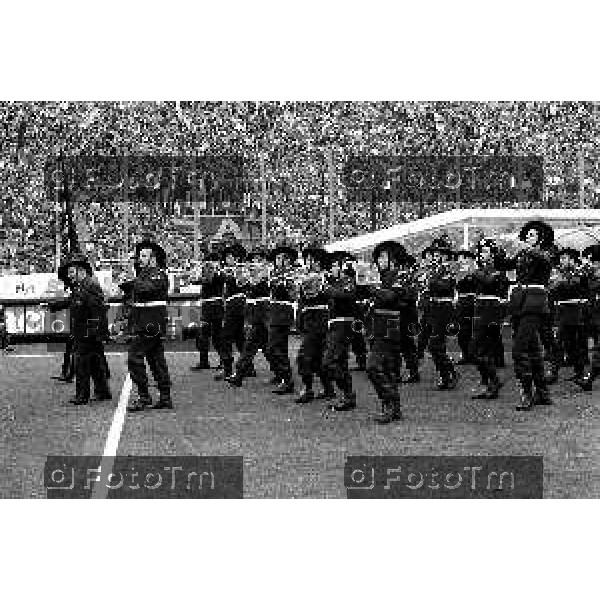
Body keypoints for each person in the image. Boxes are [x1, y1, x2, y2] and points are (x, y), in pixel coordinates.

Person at [504, 220, 555, 410]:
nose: (528, 237)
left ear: (541, 238)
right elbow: (505, 265)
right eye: (527, 234)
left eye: (532, 235)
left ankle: (527, 393)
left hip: (535, 301)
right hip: (520, 302)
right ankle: (542, 392)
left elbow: (545, 260)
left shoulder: (548, 251)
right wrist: (495, 252)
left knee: (519, 350)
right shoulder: (522, 253)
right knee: (532, 349)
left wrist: (526, 248)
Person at [121, 240, 172, 411]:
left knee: (134, 357)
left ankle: (144, 397)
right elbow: (135, 290)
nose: (139, 259)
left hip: (151, 324)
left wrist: (130, 281)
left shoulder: (158, 274)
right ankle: (164, 397)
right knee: (156, 360)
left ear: (153, 259)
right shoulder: (143, 274)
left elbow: (145, 289)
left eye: (143, 256)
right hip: (145, 323)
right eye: (140, 255)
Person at [366, 240, 413, 423]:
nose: (379, 260)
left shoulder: (400, 276)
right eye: (379, 256)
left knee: (374, 366)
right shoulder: (382, 277)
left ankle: (389, 404)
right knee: (388, 369)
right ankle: (393, 408)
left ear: (393, 259)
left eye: (383, 256)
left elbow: (392, 296)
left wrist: (373, 288)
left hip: (391, 326)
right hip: (379, 325)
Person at [59, 253, 111, 406]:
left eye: (71, 272)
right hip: (86, 331)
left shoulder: (90, 285)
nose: (69, 276)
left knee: (81, 362)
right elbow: (71, 301)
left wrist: (96, 333)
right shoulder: (81, 286)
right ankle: (102, 392)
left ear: (81, 271)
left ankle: (82, 395)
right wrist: (52, 305)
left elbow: (98, 310)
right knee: (95, 363)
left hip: (88, 332)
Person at [469, 239, 510, 400]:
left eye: (485, 251)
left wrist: (474, 272)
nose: (481, 254)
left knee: (479, 349)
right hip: (480, 309)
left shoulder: (497, 270)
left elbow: (488, 281)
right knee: (479, 350)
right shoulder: (483, 269)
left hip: (490, 311)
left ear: (493, 255)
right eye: (481, 251)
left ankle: (493, 382)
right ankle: (489, 382)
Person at [294, 247, 335, 403]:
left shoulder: (327, 277)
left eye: (312, 260)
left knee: (305, 357)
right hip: (309, 320)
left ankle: (309, 389)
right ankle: (327, 389)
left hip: (323, 320)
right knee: (316, 359)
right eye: (308, 260)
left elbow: (327, 296)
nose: (309, 263)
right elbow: (299, 299)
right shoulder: (304, 277)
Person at [228, 247, 271, 387]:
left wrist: (250, 275)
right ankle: (283, 374)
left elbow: (257, 284)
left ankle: (239, 374)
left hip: (263, 315)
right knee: (262, 348)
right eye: (253, 259)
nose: (254, 262)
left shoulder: (266, 273)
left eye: (258, 258)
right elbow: (241, 283)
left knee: (253, 347)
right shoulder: (252, 274)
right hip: (254, 315)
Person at [421, 239, 459, 390]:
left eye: (439, 253)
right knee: (434, 346)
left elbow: (446, 286)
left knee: (435, 344)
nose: (435, 256)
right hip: (433, 308)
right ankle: (447, 374)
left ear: (445, 255)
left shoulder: (450, 269)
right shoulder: (433, 270)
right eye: (434, 253)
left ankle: (448, 373)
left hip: (444, 308)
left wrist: (429, 282)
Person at [322, 251, 357, 411]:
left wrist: (325, 287)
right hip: (335, 324)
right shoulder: (335, 281)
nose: (332, 268)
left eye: (335, 265)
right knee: (340, 362)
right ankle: (348, 397)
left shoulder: (349, 280)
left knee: (331, 362)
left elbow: (343, 295)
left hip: (343, 324)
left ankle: (348, 394)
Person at [549, 248, 588, 384]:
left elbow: (573, 286)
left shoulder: (580, 272)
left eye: (565, 258)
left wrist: (561, 281)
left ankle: (579, 372)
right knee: (559, 342)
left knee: (573, 344)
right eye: (561, 258)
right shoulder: (559, 273)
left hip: (576, 311)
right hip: (562, 311)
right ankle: (554, 372)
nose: (562, 261)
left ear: (572, 260)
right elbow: (553, 289)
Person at [266, 244, 298, 395]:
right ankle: (282, 376)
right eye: (278, 258)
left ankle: (287, 379)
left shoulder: (291, 275)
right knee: (281, 348)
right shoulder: (273, 273)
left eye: (282, 258)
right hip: (274, 311)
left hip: (283, 312)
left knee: (272, 348)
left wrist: (287, 283)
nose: (279, 260)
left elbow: (293, 295)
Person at [214, 243, 247, 381]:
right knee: (239, 338)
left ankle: (227, 369)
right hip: (235, 305)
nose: (227, 259)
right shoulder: (231, 270)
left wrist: (224, 274)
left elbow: (239, 282)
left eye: (229, 257)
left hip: (236, 305)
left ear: (237, 258)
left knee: (226, 336)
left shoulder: (239, 270)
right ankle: (247, 367)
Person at [190, 248, 224, 372]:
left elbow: (208, 279)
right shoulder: (213, 270)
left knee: (214, 336)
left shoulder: (217, 271)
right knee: (204, 335)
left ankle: (222, 361)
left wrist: (195, 279)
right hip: (209, 307)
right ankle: (206, 361)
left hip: (213, 307)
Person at [574, 244, 600, 391]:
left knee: (598, 350)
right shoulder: (590, 275)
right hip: (594, 316)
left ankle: (588, 379)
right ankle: (589, 378)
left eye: (592, 260)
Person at [454, 249, 478, 365]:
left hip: (472, 302)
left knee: (472, 330)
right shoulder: (458, 272)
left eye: (462, 258)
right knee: (462, 331)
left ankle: (473, 354)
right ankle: (465, 354)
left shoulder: (475, 271)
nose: (459, 260)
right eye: (459, 258)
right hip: (461, 303)